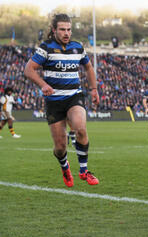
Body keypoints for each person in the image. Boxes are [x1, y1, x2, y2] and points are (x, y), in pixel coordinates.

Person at [24, 13, 100, 187]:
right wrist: (43, 84)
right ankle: (65, 167)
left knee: (80, 128)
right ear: (54, 30)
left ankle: (84, 171)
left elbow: (88, 67)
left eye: (69, 29)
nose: (66, 33)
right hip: (54, 101)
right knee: (60, 146)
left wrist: (94, 89)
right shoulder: (46, 48)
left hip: (74, 96)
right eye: (62, 29)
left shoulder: (78, 47)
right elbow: (29, 69)